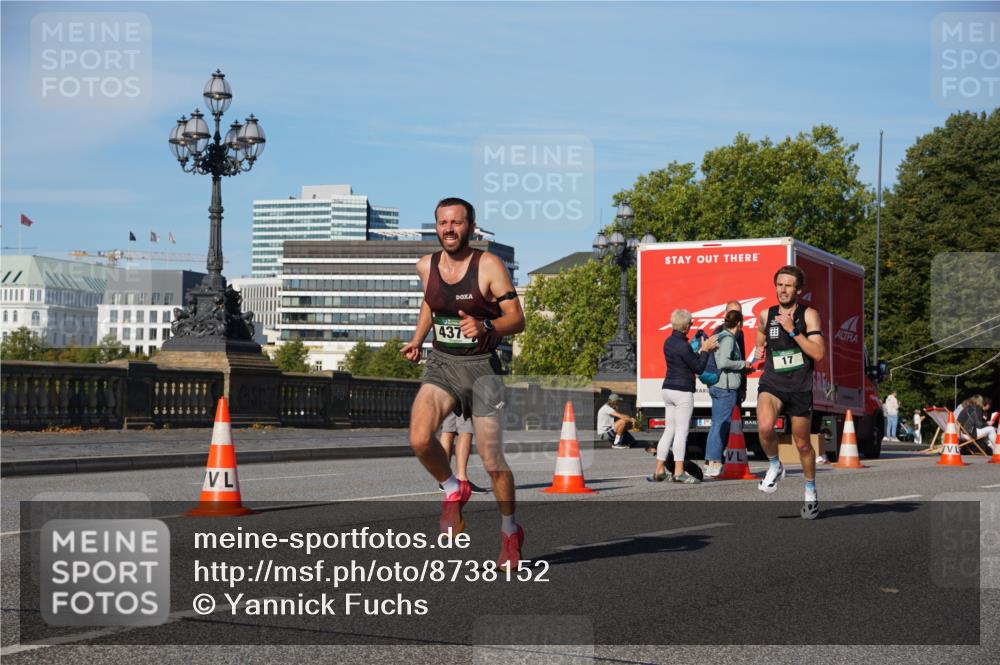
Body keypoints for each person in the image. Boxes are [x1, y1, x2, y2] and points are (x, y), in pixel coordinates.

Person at [401, 197, 525, 567]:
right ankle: (454, 489)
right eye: (442, 223)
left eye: (457, 223)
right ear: (436, 226)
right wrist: (418, 338)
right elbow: (430, 302)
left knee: (491, 460)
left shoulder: (488, 265)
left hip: (482, 369)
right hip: (442, 363)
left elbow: (517, 319)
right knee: (419, 438)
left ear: (470, 227)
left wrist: (486, 325)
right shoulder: (426, 265)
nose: (449, 229)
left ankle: (509, 529)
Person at [754, 265, 825, 520]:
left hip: (800, 388)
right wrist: (759, 349)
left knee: (802, 444)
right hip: (772, 383)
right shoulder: (766, 314)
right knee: (764, 427)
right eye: (779, 285)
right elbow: (760, 332)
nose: (782, 290)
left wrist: (793, 331)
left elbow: (818, 353)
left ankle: (810, 491)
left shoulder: (809, 315)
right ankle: (775, 465)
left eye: (788, 285)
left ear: (798, 290)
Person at [648, 309, 718, 484]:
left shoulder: (668, 342)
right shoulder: (683, 345)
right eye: (691, 323)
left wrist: (698, 350)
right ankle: (679, 472)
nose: (692, 325)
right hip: (682, 391)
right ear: (686, 326)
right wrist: (705, 349)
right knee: (681, 432)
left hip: (668, 389)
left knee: (668, 430)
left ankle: (659, 470)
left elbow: (684, 361)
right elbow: (699, 368)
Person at [705, 310, 748, 477]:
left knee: (717, 424)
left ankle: (711, 461)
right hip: (725, 388)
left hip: (718, 385)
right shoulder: (729, 339)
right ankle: (714, 462)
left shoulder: (721, 336)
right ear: (739, 323)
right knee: (721, 425)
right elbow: (723, 362)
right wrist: (742, 364)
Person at [436, 412, 489, 494]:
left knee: (448, 429)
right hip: (464, 399)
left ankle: (445, 480)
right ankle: (462, 479)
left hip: (446, 399)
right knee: (466, 429)